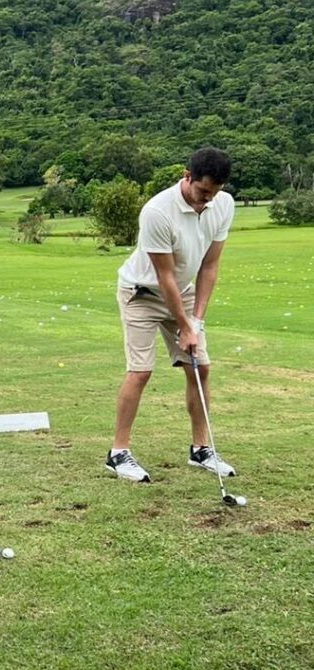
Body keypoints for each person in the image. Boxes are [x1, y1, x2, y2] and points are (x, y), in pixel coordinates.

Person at [106, 147, 236, 484]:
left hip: (184, 290)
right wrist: (183, 325)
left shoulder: (222, 205)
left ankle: (201, 449)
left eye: (213, 194)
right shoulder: (157, 212)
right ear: (187, 176)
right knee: (140, 371)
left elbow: (209, 266)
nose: (205, 201)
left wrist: (197, 323)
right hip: (141, 292)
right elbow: (163, 277)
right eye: (202, 191)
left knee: (200, 368)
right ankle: (118, 453)